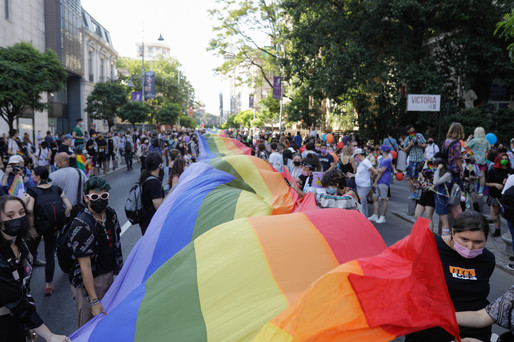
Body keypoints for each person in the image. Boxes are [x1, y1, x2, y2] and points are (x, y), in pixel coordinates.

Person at [406, 211, 495, 342]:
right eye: (464, 239)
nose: (470, 247)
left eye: (478, 242)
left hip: (472, 329)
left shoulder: (487, 259)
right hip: (431, 326)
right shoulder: (427, 247)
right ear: (453, 232)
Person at [0, 195, 70, 342]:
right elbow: (15, 299)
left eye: (21, 212)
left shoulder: (21, 244)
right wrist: (49, 336)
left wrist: (28, 325)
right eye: (10, 215)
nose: (18, 218)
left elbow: (23, 289)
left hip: (16, 318)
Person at [67, 177, 122, 327]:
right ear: (86, 198)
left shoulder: (110, 214)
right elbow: (84, 267)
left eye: (104, 196)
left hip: (108, 274)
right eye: (95, 197)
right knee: (89, 325)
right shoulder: (81, 225)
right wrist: (94, 300)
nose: (100, 200)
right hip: (89, 284)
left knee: (107, 320)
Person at [26, 167, 72, 296]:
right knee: (50, 255)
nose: (32, 177)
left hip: (38, 228)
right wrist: (59, 223)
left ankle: (26, 284)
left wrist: (32, 228)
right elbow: (69, 207)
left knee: (29, 256)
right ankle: (48, 285)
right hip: (52, 228)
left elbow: (29, 210)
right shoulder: (56, 189)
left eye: (34, 175)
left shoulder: (33, 191)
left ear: (39, 177)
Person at [486, 152, 512, 237]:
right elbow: (487, 183)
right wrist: (495, 185)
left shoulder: (511, 170)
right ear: (498, 160)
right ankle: (497, 229)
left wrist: (507, 182)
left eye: (506, 159)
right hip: (495, 194)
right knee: (496, 212)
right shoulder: (493, 170)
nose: (504, 161)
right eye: (502, 159)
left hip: (508, 196)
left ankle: (510, 231)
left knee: (508, 213)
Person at [139, 152, 165, 235]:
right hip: (151, 223)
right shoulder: (154, 183)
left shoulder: (146, 178)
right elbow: (159, 206)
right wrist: (172, 190)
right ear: (159, 165)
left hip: (146, 222)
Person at [402, 125, 427, 200]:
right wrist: (410, 145)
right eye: (410, 129)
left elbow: (425, 145)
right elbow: (405, 149)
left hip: (420, 159)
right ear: (408, 131)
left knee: (416, 177)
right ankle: (412, 192)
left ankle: (415, 192)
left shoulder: (419, 136)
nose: (412, 129)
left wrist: (418, 144)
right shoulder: (407, 139)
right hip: (412, 159)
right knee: (410, 177)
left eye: (412, 128)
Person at [353, 148, 378, 219]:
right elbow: (361, 173)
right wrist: (352, 175)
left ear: (358, 155)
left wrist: (372, 178)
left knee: (362, 204)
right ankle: (364, 219)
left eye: (355, 156)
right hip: (361, 186)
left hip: (364, 186)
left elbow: (375, 172)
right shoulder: (362, 162)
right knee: (362, 204)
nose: (355, 158)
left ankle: (364, 220)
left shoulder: (365, 162)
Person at [370, 145, 392, 223]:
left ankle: (383, 217)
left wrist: (375, 181)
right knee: (375, 198)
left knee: (383, 199)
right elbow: (378, 170)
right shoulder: (381, 159)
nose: (379, 151)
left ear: (382, 151)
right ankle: (375, 215)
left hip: (384, 182)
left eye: (380, 150)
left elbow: (381, 171)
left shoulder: (387, 160)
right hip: (379, 181)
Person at [466, 127, 490, 196]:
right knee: (482, 176)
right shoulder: (486, 141)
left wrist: (468, 139)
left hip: (474, 161)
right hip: (483, 161)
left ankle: (473, 190)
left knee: (472, 175)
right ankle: (481, 191)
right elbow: (489, 149)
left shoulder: (474, 140)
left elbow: (465, 147)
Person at [433, 153, 453, 236]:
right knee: (442, 219)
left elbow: (435, 182)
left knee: (444, 220)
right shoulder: (444, 174)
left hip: (442, 199)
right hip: (440, 198)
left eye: (436, 166)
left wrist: (437, 170)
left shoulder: (447, 174)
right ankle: (444, 237)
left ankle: (445, 239)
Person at [414, 161, 436, 231]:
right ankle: (421, 231)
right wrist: (412, 184)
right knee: (417, 215)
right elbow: (418, 187)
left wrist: (422, 180)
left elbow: (430, 187)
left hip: (430, 197)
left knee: (428, 217)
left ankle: (430, 235)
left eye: (423, 170)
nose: (422, 172)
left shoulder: (433, 176)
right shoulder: (421, 175)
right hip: (423, 196)